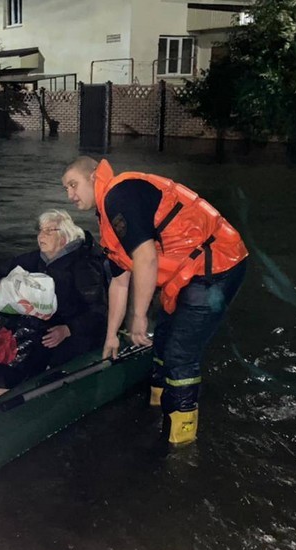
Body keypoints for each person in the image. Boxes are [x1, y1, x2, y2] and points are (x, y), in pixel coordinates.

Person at [61, 156, 248, 446]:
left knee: (179, 354)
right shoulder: (109, 218)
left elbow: (146, 259)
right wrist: (111, 336)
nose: (70, 195)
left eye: (73, 185)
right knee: (162, 337)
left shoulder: (118, 196)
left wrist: (138, 317)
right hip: (187, 273)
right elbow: (120, 280)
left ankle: (180, 442)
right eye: (66, 189)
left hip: (218, 265)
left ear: (94, 176)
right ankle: (157, 407)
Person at [0, 209, 108, 405]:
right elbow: (0, 272)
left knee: (34, 357)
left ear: (64, 237)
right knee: (4, 341)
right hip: (38, 325)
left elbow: (98, 311)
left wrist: (68, 329)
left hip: (73, 332)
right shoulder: (34, 259)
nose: (41, 236)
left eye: (49, 231)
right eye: (41, 230)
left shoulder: (83, 267)